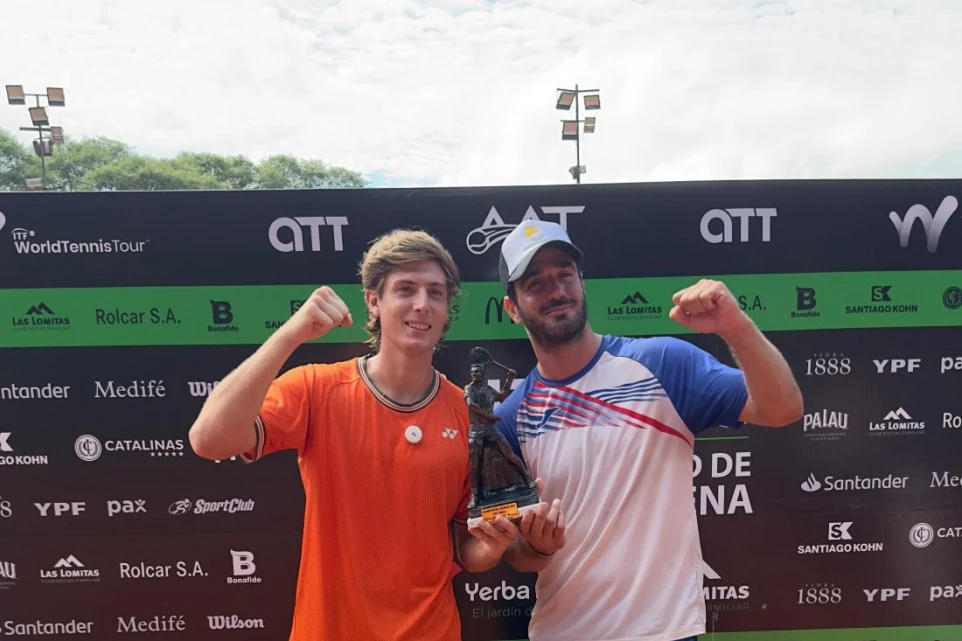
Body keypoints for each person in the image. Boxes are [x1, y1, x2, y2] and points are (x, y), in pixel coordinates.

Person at [188, 229, 521, 641]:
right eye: (405, 289)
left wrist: (492, 548)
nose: (422, 304)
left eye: (436, 293)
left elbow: (464, 552)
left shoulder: (468, 414)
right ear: (374, 301)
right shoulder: (316, 389)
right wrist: (290, 335)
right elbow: (209, 440)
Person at [485, 219, 804, 641]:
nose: (556, 291)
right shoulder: (510, 416)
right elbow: (515, 554)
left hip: (662, 632)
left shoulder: (663, 364)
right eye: (536, 283)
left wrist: (736, 327)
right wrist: (539, 547)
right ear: (512, 308)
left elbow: (783, 408)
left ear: (582, 282)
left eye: (564, 274)